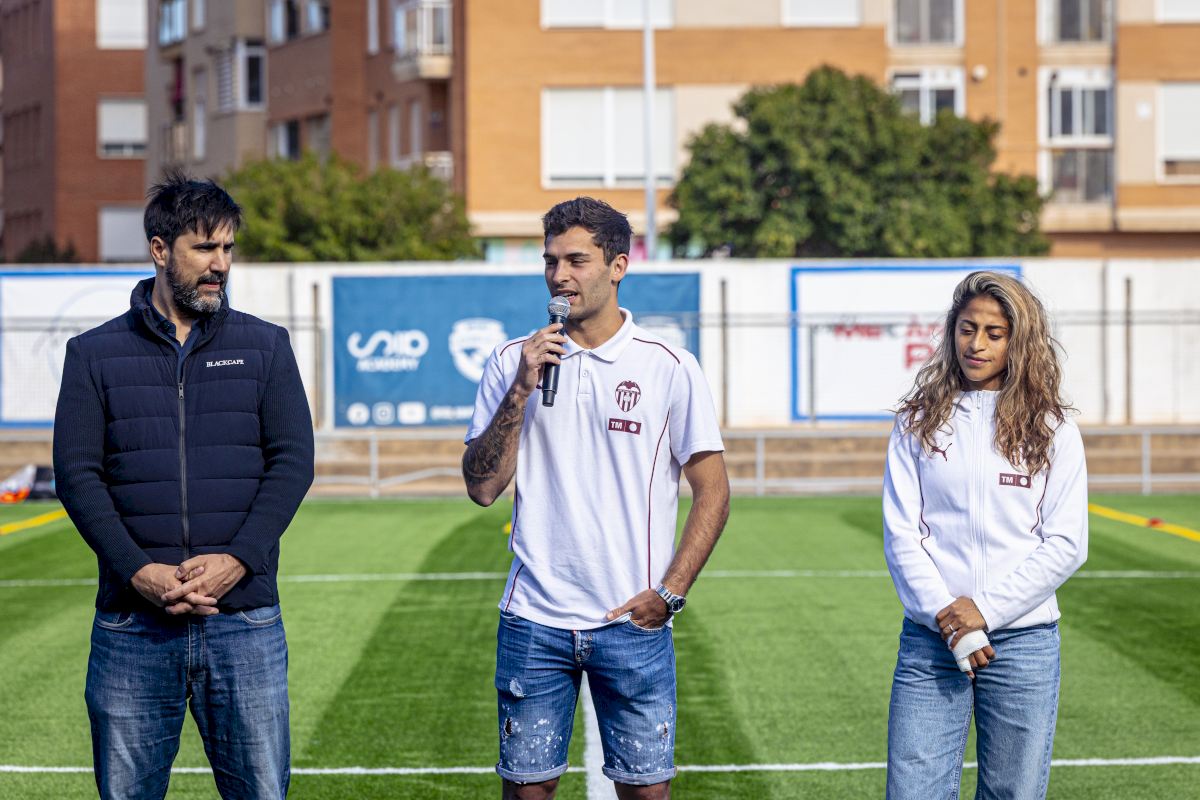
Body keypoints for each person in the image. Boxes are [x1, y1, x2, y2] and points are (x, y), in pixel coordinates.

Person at [53, 173, 314, 800]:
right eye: (204, 248)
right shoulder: (93, 354)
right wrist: (139, 571)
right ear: (159, 249)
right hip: (132, 627)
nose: (220, 264)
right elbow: (77, 476)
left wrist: (236, 561)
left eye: (227, 248)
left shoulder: (265, 346)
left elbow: (293, 462)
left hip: (244, 619)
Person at [463, 197, 730, 800]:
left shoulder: (668, 366)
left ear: (618, 265)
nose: (559, 275)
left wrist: (671, 592)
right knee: (527, 791)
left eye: (576, 260)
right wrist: (520, 390)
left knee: (646, 793)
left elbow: (713, 491)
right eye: (550, 261)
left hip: (631, 621)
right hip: (534, 618)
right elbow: (481, 487)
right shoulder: (511, 361)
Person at [882, 271, 1088, 799]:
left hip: (1023, 645)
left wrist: (986, 611)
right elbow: (903, 535)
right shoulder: (917, 422)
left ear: (1019, 341)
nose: (976, 344)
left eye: (994, 334)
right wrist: (950, 619)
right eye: (967, 328)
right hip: (931, 639)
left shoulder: (1054, 430)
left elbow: (1066, 543)